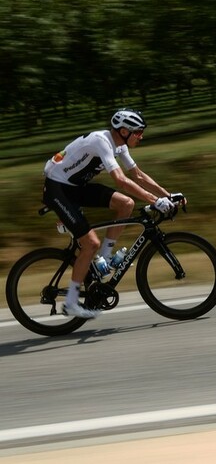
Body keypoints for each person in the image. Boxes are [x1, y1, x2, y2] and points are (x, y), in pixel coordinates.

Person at [42, 108, 176, 318]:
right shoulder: (101, 141)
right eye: (138, 132)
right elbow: (121, 180)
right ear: (124, 131)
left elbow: (138, 175)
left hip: (75, 187)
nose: (141, 136)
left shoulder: (119, 145)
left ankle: (104, 259)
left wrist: (168, 196)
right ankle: (70, 303)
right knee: (90, 244)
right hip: (57, 189)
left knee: (126, 204)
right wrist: (154, 201)